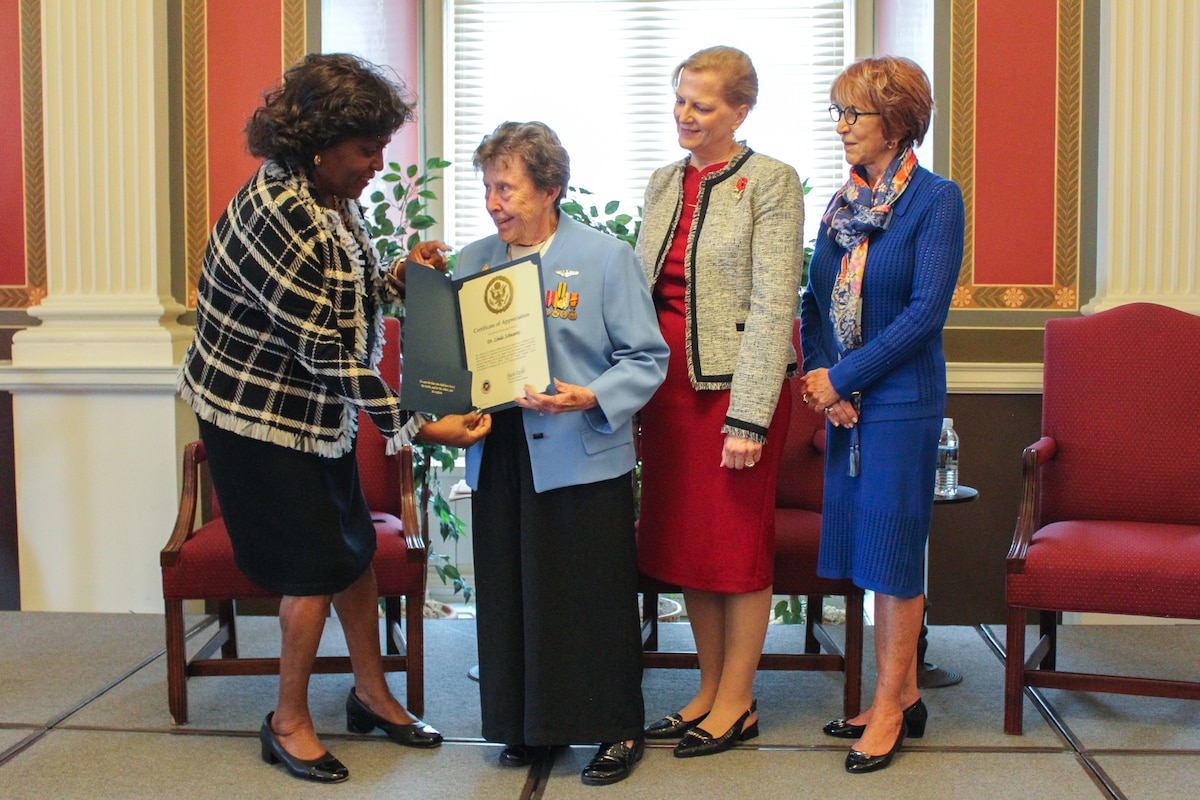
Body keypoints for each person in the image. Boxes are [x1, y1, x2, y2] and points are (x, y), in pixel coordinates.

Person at [178, 53, 491, 784]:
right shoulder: (282, 214)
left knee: (349, 548)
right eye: (367, 150)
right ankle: (286, 722)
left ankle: (370, 693)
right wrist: (418, 425)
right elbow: (326, 352)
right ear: (319, 142)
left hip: (313, 409)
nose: (378, 164)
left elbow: (341, 296)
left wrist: (398, 275)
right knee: (313, 566)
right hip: (257, 418)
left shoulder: (322, 191)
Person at [455, 121, 668, 786]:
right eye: (489, 187)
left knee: (591, 596)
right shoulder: (471, 263)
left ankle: (615, 730)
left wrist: (590, 396)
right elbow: (454, 361)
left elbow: (646, 357)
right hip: (501, 450)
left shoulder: (606, 258)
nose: (495, 202)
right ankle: (527, 726)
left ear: (550, 189)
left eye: (507, 188)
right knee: (512, 590)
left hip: (581, 447)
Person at [635, 45, 805, 758]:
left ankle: (738, 701)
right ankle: (706, 690)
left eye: (702, 106)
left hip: (734, 390)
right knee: (688, 547)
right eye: (680, 100)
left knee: (733, 546)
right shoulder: (662, 180)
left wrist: (750, 414)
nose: (686, 116)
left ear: (741, 110)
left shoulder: (771, 181)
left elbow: (774, 305)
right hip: (666, 394)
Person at [800, 55, 964, 774]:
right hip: (847, 401)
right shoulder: (839, 207)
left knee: (895, 554)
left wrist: (845, 378)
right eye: (837, 114)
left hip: (901, 401)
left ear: (896, 122)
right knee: (870, 548)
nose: (841, 128)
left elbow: (926, 313)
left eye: (853, 115)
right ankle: (901, 694)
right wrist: (820, 376)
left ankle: (891, 705)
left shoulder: (936, 199)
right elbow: (813, 304)